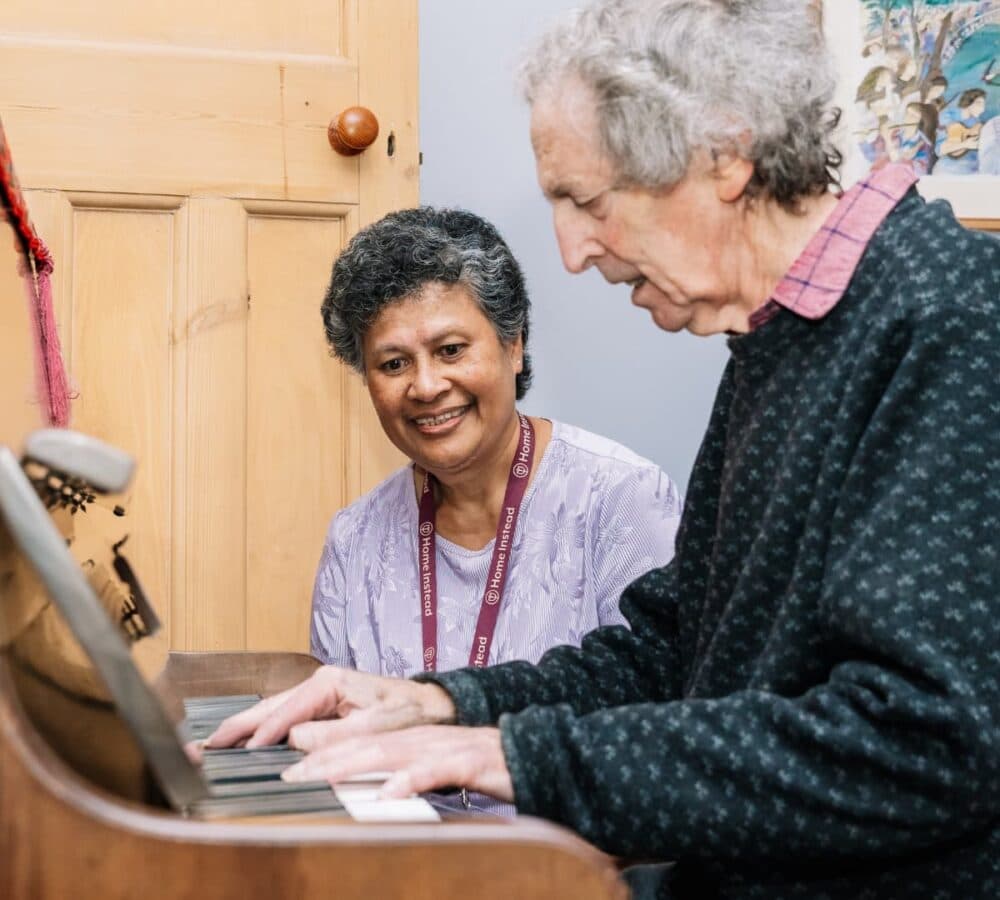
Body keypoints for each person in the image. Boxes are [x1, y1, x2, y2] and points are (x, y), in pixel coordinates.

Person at [205, 2, 999, 897]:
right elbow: (673, 645)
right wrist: (442, 702)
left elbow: (927, 743)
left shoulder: (949, 324)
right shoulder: (778, 343)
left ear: (725, 157)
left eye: (586, 201)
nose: (573, 254)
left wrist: (520, 755)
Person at [310, 207, 681, 685]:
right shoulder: (355, 540)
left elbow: (665, 705)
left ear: (513, 344)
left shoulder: (621, 500)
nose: (425, 386)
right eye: (394, 364)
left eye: (451, 350)